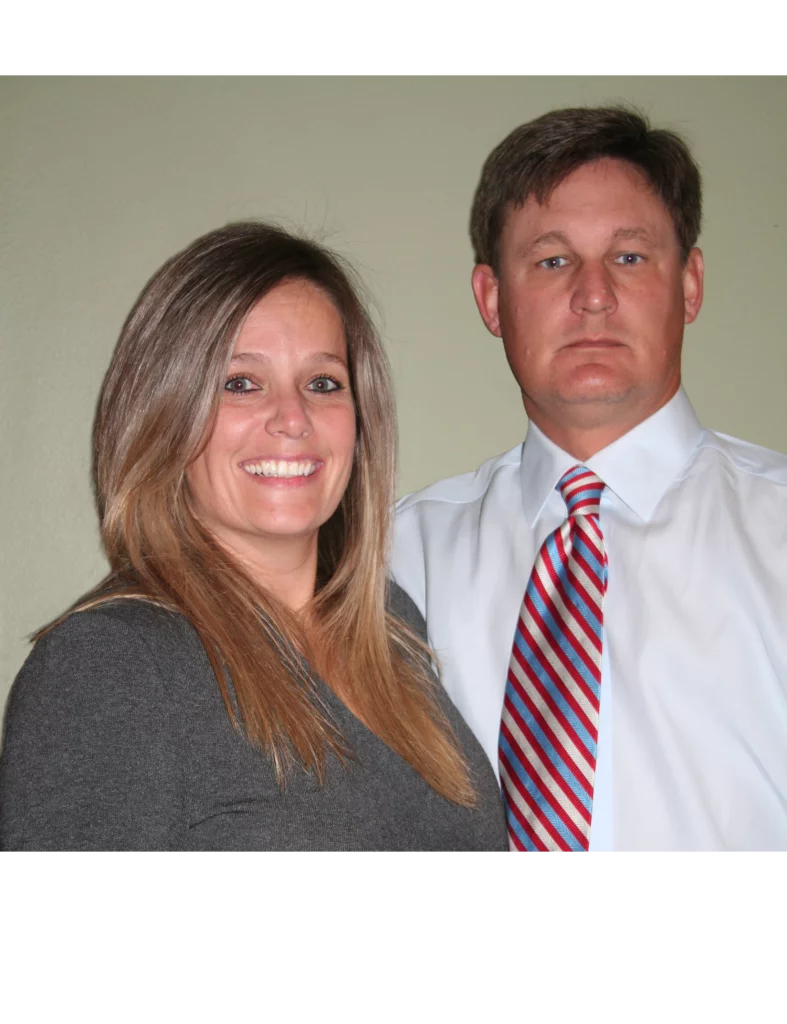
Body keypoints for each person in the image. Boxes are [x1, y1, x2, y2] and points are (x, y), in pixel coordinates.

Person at [0, 222, 507, 856]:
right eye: (240, 383)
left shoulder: (390, 628)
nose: (293, 419)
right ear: (164, 413)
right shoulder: (110, 666)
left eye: (323, 383)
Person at [392, 107, 787, 855]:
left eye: (629, 257)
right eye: (552, 261)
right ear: (490, 299)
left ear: (691, 284)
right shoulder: (398, 563)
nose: (593, 294)